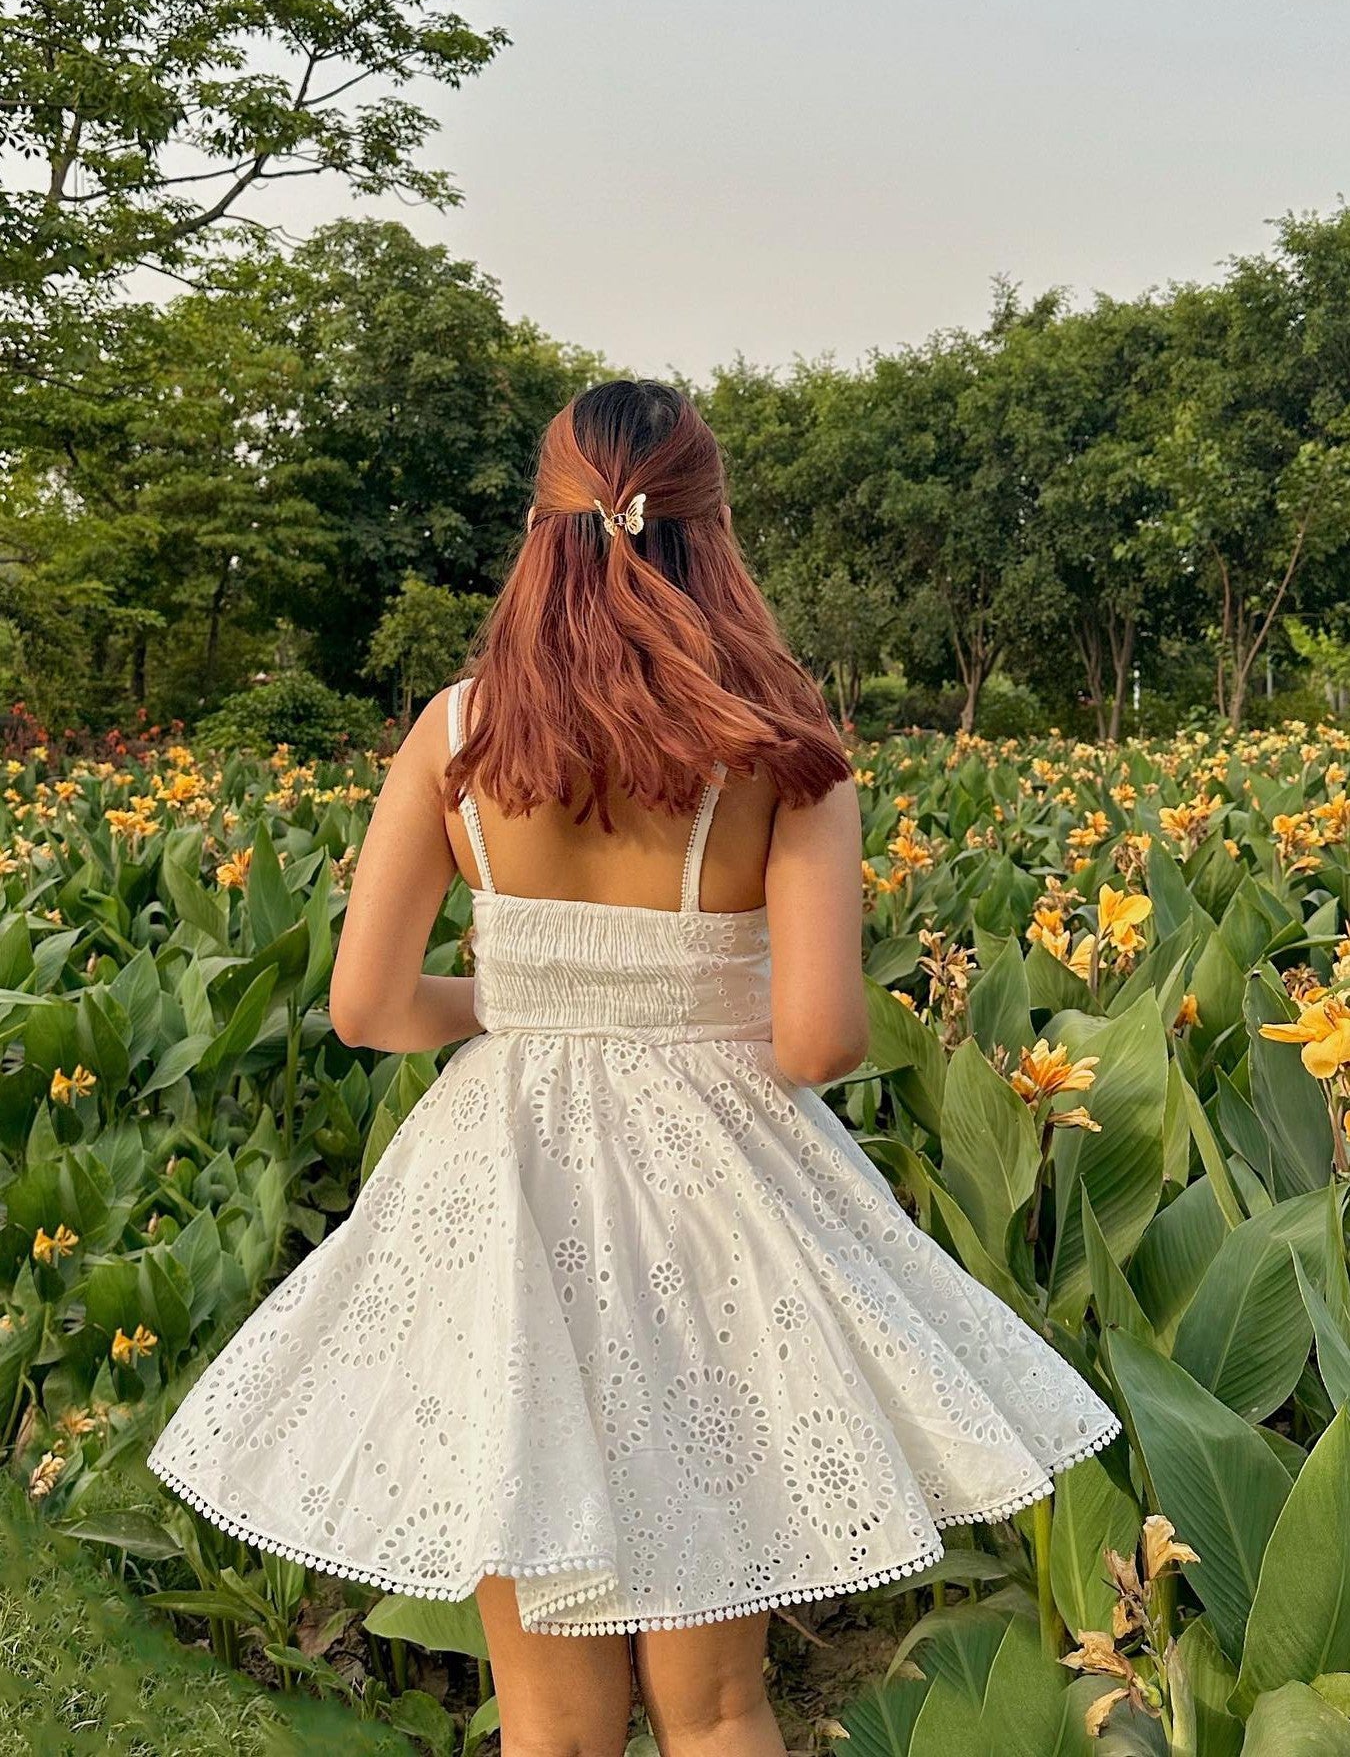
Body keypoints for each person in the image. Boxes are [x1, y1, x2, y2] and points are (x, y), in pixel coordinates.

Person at [150, 380, 1119, 1756]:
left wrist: (523, 1002)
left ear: (540, 528)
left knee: (547, 1725)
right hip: (716, 1203)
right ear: (712, 529)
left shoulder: (457, 731)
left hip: (501, 1196)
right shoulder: (782, 746)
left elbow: (365, 1008)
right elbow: (816, 1040)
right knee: (722, 1704)